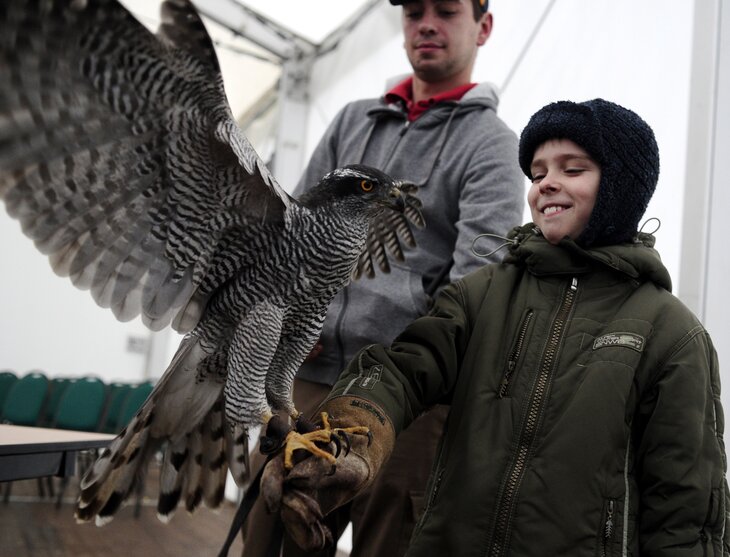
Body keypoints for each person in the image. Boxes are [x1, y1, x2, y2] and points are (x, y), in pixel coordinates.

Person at [260, 98, 730, 556]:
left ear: (621, 188)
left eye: (572, 169)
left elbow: (686, 509)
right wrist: (356, 424)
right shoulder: (483, 293)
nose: (546, 184)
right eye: (538, 172)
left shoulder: (672, 334)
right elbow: (404, 367)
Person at [241, 0, 525, 555]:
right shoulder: (352, 119)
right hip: (307, 377)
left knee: (389, 543)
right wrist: (293, 325)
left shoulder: (493, 144)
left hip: (407, 403)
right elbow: (293, 230)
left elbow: (476, 281)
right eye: (414, 11)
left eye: (447, 11)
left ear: (483, 27)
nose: (426, 23)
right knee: (271, 537)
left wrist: (402, 372)